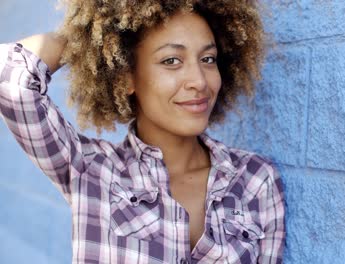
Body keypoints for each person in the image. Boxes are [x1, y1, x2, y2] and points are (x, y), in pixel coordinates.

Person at [0, 1, 285, 263]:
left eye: (208, 59)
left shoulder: (256, 180)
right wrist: (91, 40)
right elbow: (11, 81)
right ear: (125, 77)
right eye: (171, 60)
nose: (199, 81)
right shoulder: (90, 170)